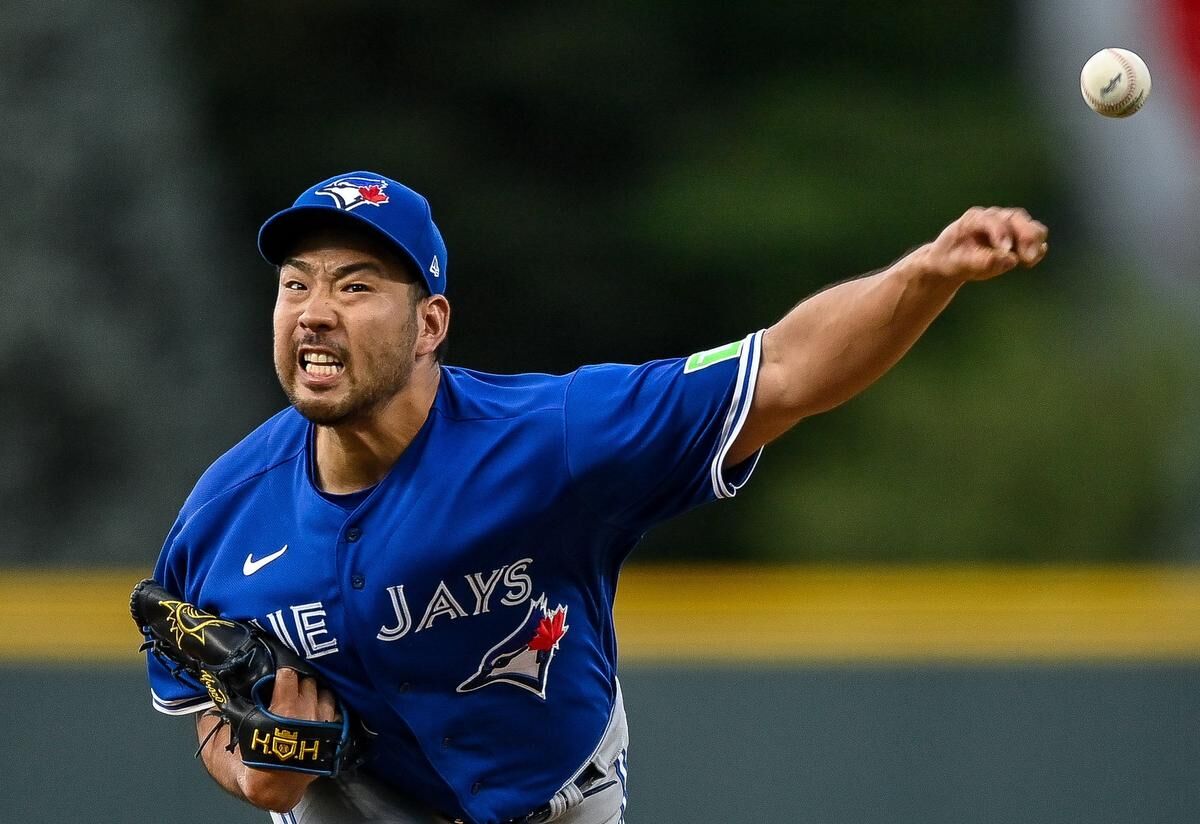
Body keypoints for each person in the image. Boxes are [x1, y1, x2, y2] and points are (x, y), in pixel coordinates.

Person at [144, 171, 1049, 824]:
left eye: (355, 285)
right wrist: (255, 771)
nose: (314, 310)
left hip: (558, 797)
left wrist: (927, 274)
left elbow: (783, 369)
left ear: (430, 325)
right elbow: (200, 709)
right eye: (295, 285)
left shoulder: (554, 438)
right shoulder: (225, 518)